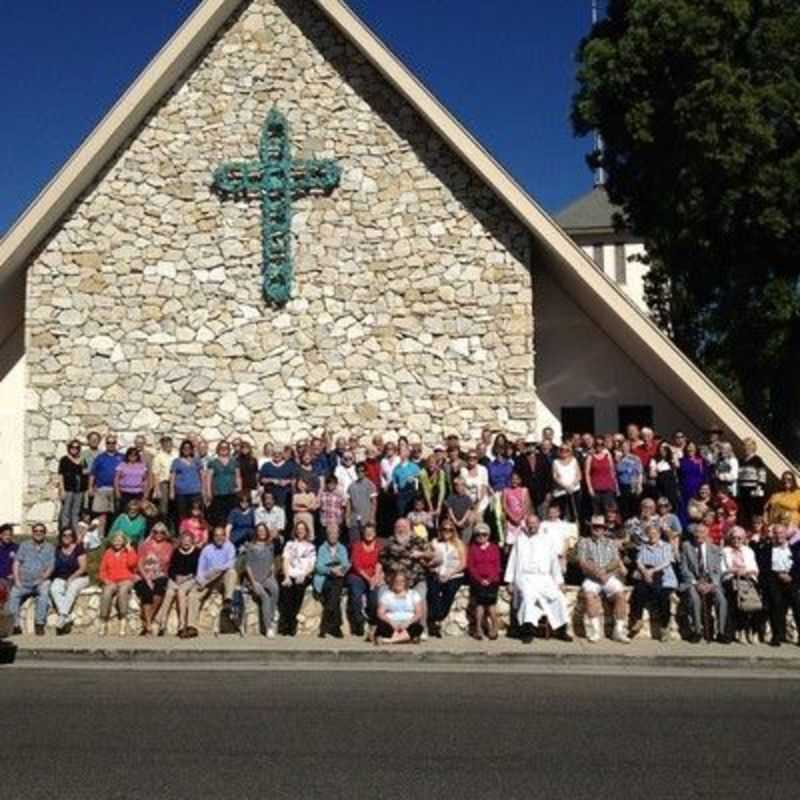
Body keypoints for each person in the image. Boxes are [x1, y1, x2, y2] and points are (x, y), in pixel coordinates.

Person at [504, 514, 571, 644]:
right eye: (529, 523)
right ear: (526, 525)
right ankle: (528, 632)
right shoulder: (520, 540)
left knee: (558, 597)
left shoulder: (547, 540)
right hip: (525, 578)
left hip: (544, 579)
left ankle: (561, 631)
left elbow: (554, 563)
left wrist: (559, 581)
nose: (532, 525)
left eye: (534, 523)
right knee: (528, 599)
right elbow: (512, 561)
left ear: (539, 524)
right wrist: (509, 581)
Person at [577, 515, 630, 643]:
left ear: (604, 529)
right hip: (592, 577)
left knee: (620, 594)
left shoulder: (610, 542)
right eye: (595, 527)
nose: (597, 529)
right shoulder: (584, 542)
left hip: (608, 576)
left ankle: (618, 631)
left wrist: (604, 571)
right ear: (591, 528)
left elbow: (616, 561)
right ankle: (595, 631)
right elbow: (583, 562)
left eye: (600, 527)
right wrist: (597, 573)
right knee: (589, 595)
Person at [679, 522, 728, 643]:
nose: (698, 535)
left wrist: (713, 584)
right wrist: (696, 583)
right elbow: (683, 568)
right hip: (693, 581)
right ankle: (697, 632)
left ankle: (721, 632)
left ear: (707, 534)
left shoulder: (714, 548)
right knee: (695, 599)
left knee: (721, 600)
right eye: (696, 532)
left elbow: (718, 570)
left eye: (701, 532)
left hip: (711, 582)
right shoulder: (686, 546)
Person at [379, 518, 435, 625]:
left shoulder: (419, 540)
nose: (400, 529)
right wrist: (379, 575)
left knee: (420, 598)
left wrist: (421, 554)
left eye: (403, 527)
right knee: (381, 595)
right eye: (398, 527)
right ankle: (388, 627)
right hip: (393, 582)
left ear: (409, 528)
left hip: (416, 580)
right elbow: (381, 560)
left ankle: (421, 629)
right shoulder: (389, 542)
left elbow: (432, 554)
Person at [628, 523, 677, 641]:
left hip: (664, 577)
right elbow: (639, 561)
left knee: (663, 596)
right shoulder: (644, 546)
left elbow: (667, 562)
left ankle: (664, 628)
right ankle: (637, 619)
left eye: (654, 533)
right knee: (638, 591)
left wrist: (652, 571)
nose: (652, 536)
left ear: (659, 534)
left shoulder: (666, 546)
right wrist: (645, 572)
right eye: (650, 534)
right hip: (647, 576)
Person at [186, 526, 238, 637]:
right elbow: (200, 569)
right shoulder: (207, 549)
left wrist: (217, 570)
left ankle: (228, 600)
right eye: (216, 535)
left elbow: (230, 564)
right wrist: (201, 581)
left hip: (222, 578)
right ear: (213, 537)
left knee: (231, 572)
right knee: (193, 596)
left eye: (221, 535)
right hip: (208, 579)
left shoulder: (230, 547)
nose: (219, 537)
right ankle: (191, 626)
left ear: (225, 536)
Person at [8, 523, 55, 636]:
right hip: (24, 581)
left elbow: (51, 566)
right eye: (36, 531)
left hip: (40, 581)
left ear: (44, 533)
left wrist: (43, 578)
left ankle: (39, 624)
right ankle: (15, 625)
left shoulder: (50, 547)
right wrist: (17, 580)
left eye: (41, 531)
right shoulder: (24, 545)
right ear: (32, 532)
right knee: (14, 594)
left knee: (44, 593)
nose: (38, 533)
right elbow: (17, 562)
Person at [426, 520, 467, 638]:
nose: (447, 532)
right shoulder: (434, 542)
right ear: (440, 530)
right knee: (433, 591)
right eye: (444, 529)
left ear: (453, 531)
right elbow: (427, 559)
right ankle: (435, 619)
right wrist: (433, 568)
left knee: (449, 592)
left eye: (450, 530)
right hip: (436, 573)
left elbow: (463, 563)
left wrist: (450, 574)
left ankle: (438, 617)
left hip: (454, 575)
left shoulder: (459, 544)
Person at [157, 531, 200, 637]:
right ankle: (162, 623)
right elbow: (171, 568)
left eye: (188, 541)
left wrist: (186, 577)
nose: (186, 543)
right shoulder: (176, 551)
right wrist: (176, 577)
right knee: (169, 593)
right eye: (184, 541)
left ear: (192, 542)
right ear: (181, 541)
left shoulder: (197, 552)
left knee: (181, 592)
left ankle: (181, 625)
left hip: (190, 578)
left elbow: (198, 569)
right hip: (176, 578)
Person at [133, 522, 173, 636]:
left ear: (165, 534)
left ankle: (147, 621)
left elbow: (170, 564)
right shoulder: (145, 545)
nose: (158, 534)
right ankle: (149, 624)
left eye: (162, 532)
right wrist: (147, 578)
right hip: (143, 575)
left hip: (160, 575)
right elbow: (139, 564)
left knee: (160, 588)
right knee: (147, 591)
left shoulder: (169, 546)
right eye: (156, 532)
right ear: (152, 532)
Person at [722, 526, 760, 642]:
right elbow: (722, 570)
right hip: (732, 578)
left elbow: (755, 569)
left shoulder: (748, 551)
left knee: (753, 601)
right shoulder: (725, 551)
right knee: (736, 599)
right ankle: (741, 630)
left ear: (743, 539)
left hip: (748, 578)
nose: (736, 541)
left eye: (739, 538)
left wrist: (746, 572)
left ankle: (752, 631)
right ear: (730, 539)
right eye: (734, 538)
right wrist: (734, 571)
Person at [278, 520, 316, 636]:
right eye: (298, 529)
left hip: (303, 575)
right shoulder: (289, 544)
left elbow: (311, 565)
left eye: (302, 529)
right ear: (295, 531)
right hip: (290, 574)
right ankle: (285, 624)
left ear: (306, 532)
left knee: (298, 591)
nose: (300, 531)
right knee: (286, 591)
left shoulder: (311, 547)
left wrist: (304, 575)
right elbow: (285, 561)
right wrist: (287, 577)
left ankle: (291, 623)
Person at [243, 523, 280, 638]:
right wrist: (253, 582)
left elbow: (271, 562)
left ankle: (272, 612)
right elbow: (247, 566)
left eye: (264, 530)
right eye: (259, 530)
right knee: (265, 597)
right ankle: (268, 627)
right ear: (256, 532)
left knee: (275, 589)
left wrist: (272, 574)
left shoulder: (270, 545)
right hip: (254, 580)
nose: (262, 532)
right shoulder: (250, 546)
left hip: (267, 577)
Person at [466, 522, 502, 640]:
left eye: (484, 534)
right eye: (478, 534)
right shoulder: (472, 548)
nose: (481, 537)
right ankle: (478, 629)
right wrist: (480, 580)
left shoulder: (494, 548)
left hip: (492, 580)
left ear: (488, 535)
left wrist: (489, 579)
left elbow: (497, 566)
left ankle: (494, 627)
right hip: (478, 580)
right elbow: (471, 566)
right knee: (479, 605)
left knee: (491, 605)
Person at [313, 525, 351, 638]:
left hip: (338, 577)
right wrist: (331, 570)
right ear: (327, 535)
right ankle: (335, 626)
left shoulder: (342, 548)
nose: (332, 536)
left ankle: (324, 627)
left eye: (335, 534)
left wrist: (339, 569)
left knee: (335, 589)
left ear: (338, 535)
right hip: (324, 578)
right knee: (335, 595)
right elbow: (319, 567)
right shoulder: (322, 548)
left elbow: (345, 564)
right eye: (330, 534)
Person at [764, 525, 798, 647]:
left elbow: (798, 566)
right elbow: (765, 568)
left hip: (791, 579)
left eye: (781, 533)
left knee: (797, 605)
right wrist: (778, 574)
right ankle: (777, 636)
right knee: (776, 605)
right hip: (774, 579)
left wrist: (791, 576)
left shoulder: (794, 548)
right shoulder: (768, 549)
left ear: (786, 534)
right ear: (773, 535)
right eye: (776, 533)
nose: (779, 536)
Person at [346, 523, 383, 638]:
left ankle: (373, 622)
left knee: (374, 599)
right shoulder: (357, 546)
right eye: (366, 532)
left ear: (375, 533)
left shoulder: (379, 546)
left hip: (373, 576)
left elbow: (379, 562)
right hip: (357, 576)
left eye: (371, 532)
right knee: (356, 596)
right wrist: (368, 579)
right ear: (363, 533)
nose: (369, 534)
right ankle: (359, 623)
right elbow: (356, 565)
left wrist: (375, 577)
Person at [98, 532, 138, 636]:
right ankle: (103, 620)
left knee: (123, 591)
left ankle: (123, 619)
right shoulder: (108, 553)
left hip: (126, 579)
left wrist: (129, 549)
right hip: (112, 580)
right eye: (115, 540)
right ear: (112, 542)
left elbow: (132, 564)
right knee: (106, 591)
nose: (117, 543)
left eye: (120, 540)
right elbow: (102, 570)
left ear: (124, 541)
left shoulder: (128, 551)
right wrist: (105, 580)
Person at [49, 527, 89, 635]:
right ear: (61, 537)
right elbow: (53, 566)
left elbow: (83, 568)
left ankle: (62, 616)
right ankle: (67, 616)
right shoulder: (57, 549)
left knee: (72, 587)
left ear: (73, 537)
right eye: (64, 535)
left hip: (80, 577)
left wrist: (71, 578)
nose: (67, 537)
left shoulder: (78, 548)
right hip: (62, 577)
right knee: (54, 589)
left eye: (70, 535)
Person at [375, 571, 425, 645]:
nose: (399, 583)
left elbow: (419, 613)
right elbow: (380, 613)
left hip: (408, 622)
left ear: (405, 582)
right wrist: (391, 622)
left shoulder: (413, 594)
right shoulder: (387, 595)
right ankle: (405, 639)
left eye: (402, 581)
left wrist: (408, 623)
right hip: (392, 623)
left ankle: (390, 640)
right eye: (396, 581)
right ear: (393, 582)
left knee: (418, 627)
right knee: (382, 627)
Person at [89, 434, 124, 534]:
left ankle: (115, 534)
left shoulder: (122, 457)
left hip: (117, 489)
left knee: (116, 513)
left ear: (116, 444)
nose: (111, 445)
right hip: (102, 489)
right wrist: (90, 487)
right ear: (106, 444)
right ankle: (101, 535)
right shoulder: (100, 458)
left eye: (113, 442)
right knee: (102, 514)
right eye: (109, 442)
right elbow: (93, 474)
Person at [204, 441, 241, 527]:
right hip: (218, 494)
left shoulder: (234, 462)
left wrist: (239, 487)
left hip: (231, 493)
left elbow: (238, 476)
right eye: (222, 447)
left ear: (229, 449)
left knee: (231, 516)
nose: (224, 449)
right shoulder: (213, 463)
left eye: (226, 447)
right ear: (218, 449)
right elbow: (208, 478)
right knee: (219, 516)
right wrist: (208, 492)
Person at [170, 439, 204, 527]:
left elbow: (202, 476)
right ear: (181, 449)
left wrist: (204, 490)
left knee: (196, 514)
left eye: (189, 448)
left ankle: (196, 533)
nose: (187, 450)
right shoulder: (176, 461)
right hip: (181, 493)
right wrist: (171, 491)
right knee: (182, 515)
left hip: (195, 492)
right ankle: (184, 534)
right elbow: (172, 477)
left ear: (192, 449)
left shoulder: (197, 461)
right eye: (184, 448)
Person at [58, 439, 86, 534]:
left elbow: (85, 473)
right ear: (69, 448)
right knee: (66, 512)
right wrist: (62, 490)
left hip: (79, 490)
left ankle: (74, 532)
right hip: (68, 489)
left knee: (76, 512)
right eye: (72, 447)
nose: (74, 449)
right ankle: (64, 532)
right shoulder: (64, 460)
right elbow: (61, 475)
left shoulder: (82, 459)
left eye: (77, 447)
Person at [678, 442, 708, 528]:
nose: (690, 449)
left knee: (697, 512)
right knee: (684, 511)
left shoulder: (701, 461)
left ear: (696, 449)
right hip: (684, 490)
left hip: (697, 491)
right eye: (688, 447)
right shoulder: (681, 460)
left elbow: (705, 476)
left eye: (692, 447)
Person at [584, 439, 619, 514]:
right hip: (596, 488)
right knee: (597, 512)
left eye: (601, 444)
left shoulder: (608, 455)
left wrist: (615, 485)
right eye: (597, 444)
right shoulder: (590, 457)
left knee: (609, 511)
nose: (599, 446)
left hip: (608, 488)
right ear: (594, 445)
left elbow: (612, 471)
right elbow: (587, 474)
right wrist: (590, 488)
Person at [737, 438, 767, 524]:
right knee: (742, 515)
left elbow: (762, 479)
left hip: (753, 493)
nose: (746, 448)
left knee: (751, 515)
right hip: (742, 492)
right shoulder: (741, 461)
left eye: (749, 446)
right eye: (745, 445)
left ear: (753, 447)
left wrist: (757, 496)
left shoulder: (758, 461)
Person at [258, 445, 297, 511]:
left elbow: (294, 479)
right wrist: (272, 480)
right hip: (270, 497)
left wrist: (287, 481)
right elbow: (261, 479)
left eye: (279, 453)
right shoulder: (266, 465)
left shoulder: (289, 465)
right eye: (275, 453)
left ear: (282, 455)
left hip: (285, 497)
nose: (277, 455)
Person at [552, 444, 581, 522]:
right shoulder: (555, 462)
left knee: (575, 513)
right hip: (561, 491)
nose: (564, 452)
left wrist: (572, 485)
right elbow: (555, 477)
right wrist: (565, 487)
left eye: (566, 450)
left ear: (570, 451)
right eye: (562, 450)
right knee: (561, 513)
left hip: (574, 490)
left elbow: (579, 475)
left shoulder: (574, 460)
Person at [614, 441, 643, 520]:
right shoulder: (618, 459)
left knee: (634, 508)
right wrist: (616, 488)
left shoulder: (635, 458)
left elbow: (639, 472)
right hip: (622, 487)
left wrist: (639, 485)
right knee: (624, 509)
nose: (624, 448)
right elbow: (615, 475)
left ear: (629, 447)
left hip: (633, 486)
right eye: (623, 447)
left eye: (626, 446)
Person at [502, 471, 530, 550]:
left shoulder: (524, 490)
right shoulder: (506, 490)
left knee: (522, 541)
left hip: (522, 519)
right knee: (510, 543)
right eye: (512, 479)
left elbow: (526, 505)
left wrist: (519, 518)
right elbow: (504, 505)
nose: (514, 481)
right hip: (510, 520)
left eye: (517, 479)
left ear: (520, 480)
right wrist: (512, 517)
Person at [114, 447, 149, 511]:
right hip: (125, 493)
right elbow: (116, 479)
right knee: (124, 511)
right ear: (127, 455)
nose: (132, 456)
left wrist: (146, 493)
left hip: (138, 493)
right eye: (130, 454)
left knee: (137, 511)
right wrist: (117, 492)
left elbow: (146, 480)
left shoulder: (142, 465)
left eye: (135, 455)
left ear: (137, 456)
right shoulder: (122, 465)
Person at [392, 443, 422, 518]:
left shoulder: (414, 467)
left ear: (408, 453)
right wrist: (395, 489)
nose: (401, 453)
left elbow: (419, 480)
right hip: (401, 495)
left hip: (412, 494)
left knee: (412, 516)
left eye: (404, 451)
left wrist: (414, 480)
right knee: (401, 516)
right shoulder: (396, 468)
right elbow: (395, 482)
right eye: (400, 451)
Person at [150, 435, 174, 520]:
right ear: (162, 445)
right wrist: (157, 489)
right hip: (163, 484)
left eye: (170, 443)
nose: (168, 445)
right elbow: (155, 474)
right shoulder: (158, 457)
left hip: (174, 484)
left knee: (173, 508)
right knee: (163, 509)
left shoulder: (174, 456)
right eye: (166, 444)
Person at [445, 477, 475, 543]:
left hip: (464, 522)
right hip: (454, 522)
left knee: (468, 527)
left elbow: (468, 511)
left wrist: (461, 521)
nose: (459, 487)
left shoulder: (467, 498)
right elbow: (450, 510)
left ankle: (465, 545)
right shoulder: (451, 497)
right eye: (457, 485)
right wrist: (455, 521)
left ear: (464, 486)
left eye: (461, 485)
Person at [292, 477, 318, 543]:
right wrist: (306, 507)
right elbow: (293, 507)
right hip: (298, 518)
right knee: (298, 535)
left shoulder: (311, 495)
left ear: (307, 484)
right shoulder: (295, 495)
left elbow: (313, 507)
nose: (301, 485)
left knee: (309, 536)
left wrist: (301, 506)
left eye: (303, 483)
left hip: (308, 518)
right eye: (299, 483)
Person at [319, 475, 346, 539]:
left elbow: (343, 507)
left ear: (336, 484)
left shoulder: (340, 493)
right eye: (329, 483)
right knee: (324, 539)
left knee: (335, 540)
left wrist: (342, 520)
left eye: (333, 483)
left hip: (336, 521)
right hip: (325, 522)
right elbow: (319, 506)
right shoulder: (322, 493)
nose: (331, 485)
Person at [0, 523, 18, 595]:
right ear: (0, 535)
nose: (8, 537)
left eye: (10, 535)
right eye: (5, 534)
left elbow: (22, 564)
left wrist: (14, 574)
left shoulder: (16, 547)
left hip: (11, 578)